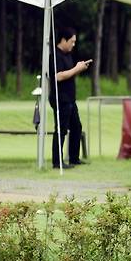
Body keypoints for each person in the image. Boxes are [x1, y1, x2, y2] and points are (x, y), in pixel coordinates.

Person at [49, 27, 92, 169]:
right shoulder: (55, 55)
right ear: (64, 40)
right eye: (72, 41)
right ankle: (57, 162)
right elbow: (58, 76)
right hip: (60, 98)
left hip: (70, 99)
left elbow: (69, 73)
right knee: (61, 129)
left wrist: (79, 68)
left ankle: (74, 158)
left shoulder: (68, 55)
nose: (73, 45)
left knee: (76, 127)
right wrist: (76, 69)